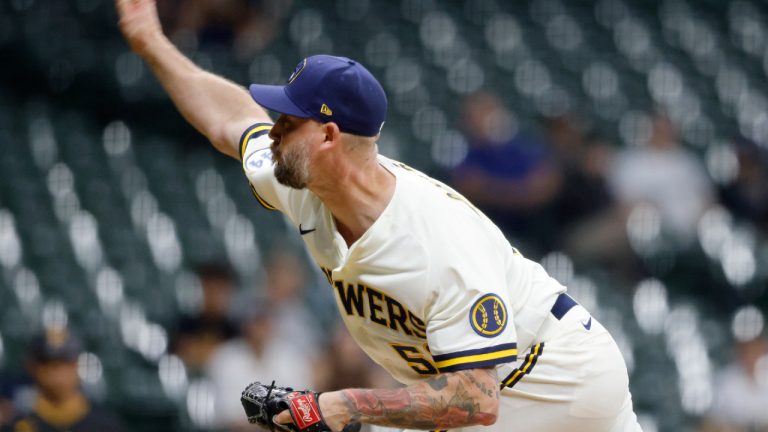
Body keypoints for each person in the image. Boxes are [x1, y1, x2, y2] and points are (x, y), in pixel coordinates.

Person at [115, 1, 642, 430]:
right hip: (497, 386)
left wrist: (339, 405)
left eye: (287, 120)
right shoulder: (299, 177)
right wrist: (151, 43)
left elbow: (476, 403)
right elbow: (230, 121)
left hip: (551, 376)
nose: (273, 130)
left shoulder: (435, 240)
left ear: (327, 136)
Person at [2, 329, 124, 432]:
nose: (57, 372)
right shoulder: (14, 419)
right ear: (32, 366)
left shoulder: (103, 423)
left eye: (65, 363)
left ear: (77, 365)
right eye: (47, 364)